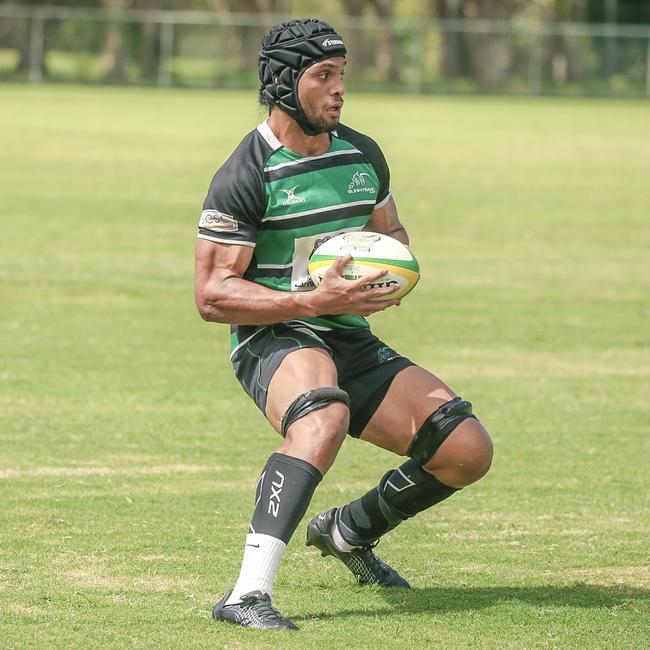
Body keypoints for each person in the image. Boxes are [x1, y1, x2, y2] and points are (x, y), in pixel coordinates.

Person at [194, 18, 493, 631]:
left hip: (347, 333)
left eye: (342, 76)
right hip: (272, 336)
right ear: (283, 84)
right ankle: (246, 595)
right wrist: (311, 301)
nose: (338, 90)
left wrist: (391, 274)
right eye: (322, 76)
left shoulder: (362, 154)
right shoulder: (245, 173)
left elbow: (392, 235)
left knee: (465, 449)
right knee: (322, 414)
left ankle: (348, 532)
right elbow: (212, 294)